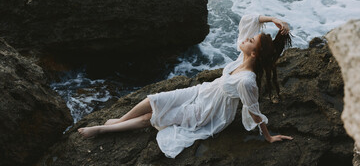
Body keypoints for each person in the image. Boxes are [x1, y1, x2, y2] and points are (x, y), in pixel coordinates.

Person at [78, 14, 294, 158]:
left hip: (208, 111)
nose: (245, 39)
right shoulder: (243, 58)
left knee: (150, 118)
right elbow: (250, 19)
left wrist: (268, 136)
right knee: (153, 99)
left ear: (254, 53)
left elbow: (254, 111)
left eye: (250, 41)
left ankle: (101, 130)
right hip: (202, 91)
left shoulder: (247, 80)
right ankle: (121, 120)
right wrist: (274, 19)